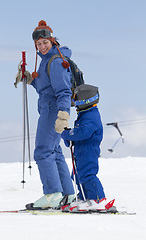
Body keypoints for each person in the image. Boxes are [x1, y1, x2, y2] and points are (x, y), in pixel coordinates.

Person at [15, 20, 74, 209]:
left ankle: (52, 195)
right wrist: (30, 78)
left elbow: (63, 91)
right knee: (54, 152)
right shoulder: (47, 61)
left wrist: (63, 114)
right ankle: (67, 195)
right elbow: (46, 86)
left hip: (53, 110)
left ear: (52, 40)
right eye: (38, 44)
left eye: (45, 42)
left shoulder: (56, 61)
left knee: (42, 151)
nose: (42, 46)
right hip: (49, 107)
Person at [61, 84, 115, 212]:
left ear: (84, 100)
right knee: (78, 175)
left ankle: (97, 199)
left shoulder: (91, 116)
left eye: (76, 100)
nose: (74, 104)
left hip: (88, 151)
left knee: (88, 174)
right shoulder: (85, 114)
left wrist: (68, 134)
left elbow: (83, 133)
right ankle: (85, 198)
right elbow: (79, 133)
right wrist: (69, 137)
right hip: (81, 150)